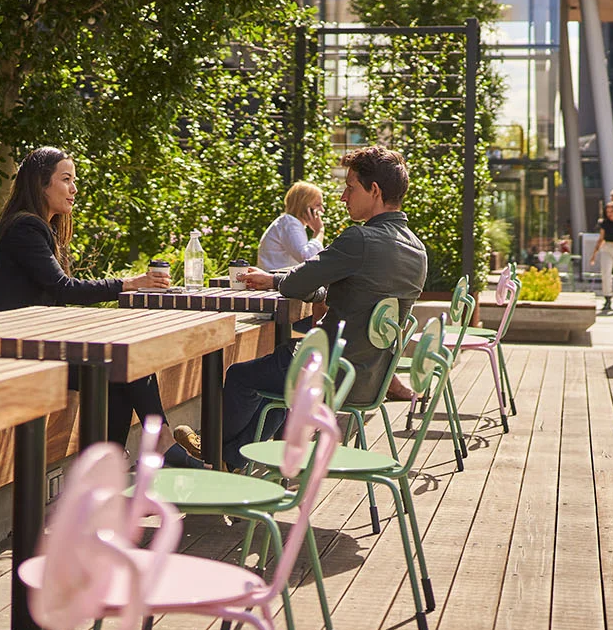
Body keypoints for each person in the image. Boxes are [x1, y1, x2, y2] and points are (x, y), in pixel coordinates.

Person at [178, 146, 427, 472]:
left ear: (375, 191)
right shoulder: (416, 249)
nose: (342, 197)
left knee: (241, 376)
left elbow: (297, 284)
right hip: (368, 377)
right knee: (275, 380)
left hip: (324, 371)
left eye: (350, 188)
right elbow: (361, 294)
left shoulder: (360, 240)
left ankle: (214, 451)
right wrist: (310, 286)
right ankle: (232, 457)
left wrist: (283, 282)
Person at [0, 147, 205, 467]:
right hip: (8, 352)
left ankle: (118, 460)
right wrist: (130, 283)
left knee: (124, 365)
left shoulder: (39, 227)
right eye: (66, 179)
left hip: (27, 343)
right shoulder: (25, 228)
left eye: (75, 180)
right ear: (40, 184)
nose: (74, 189)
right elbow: (64, 289)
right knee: (123, 363)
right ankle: (147, 448)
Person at [257, 181, 325, 271]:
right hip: (274, 281)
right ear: (304, 206)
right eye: (317, 205)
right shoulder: (290, 224)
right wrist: (319, 231)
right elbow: (308, 258)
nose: (322, 210)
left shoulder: (289, 223)